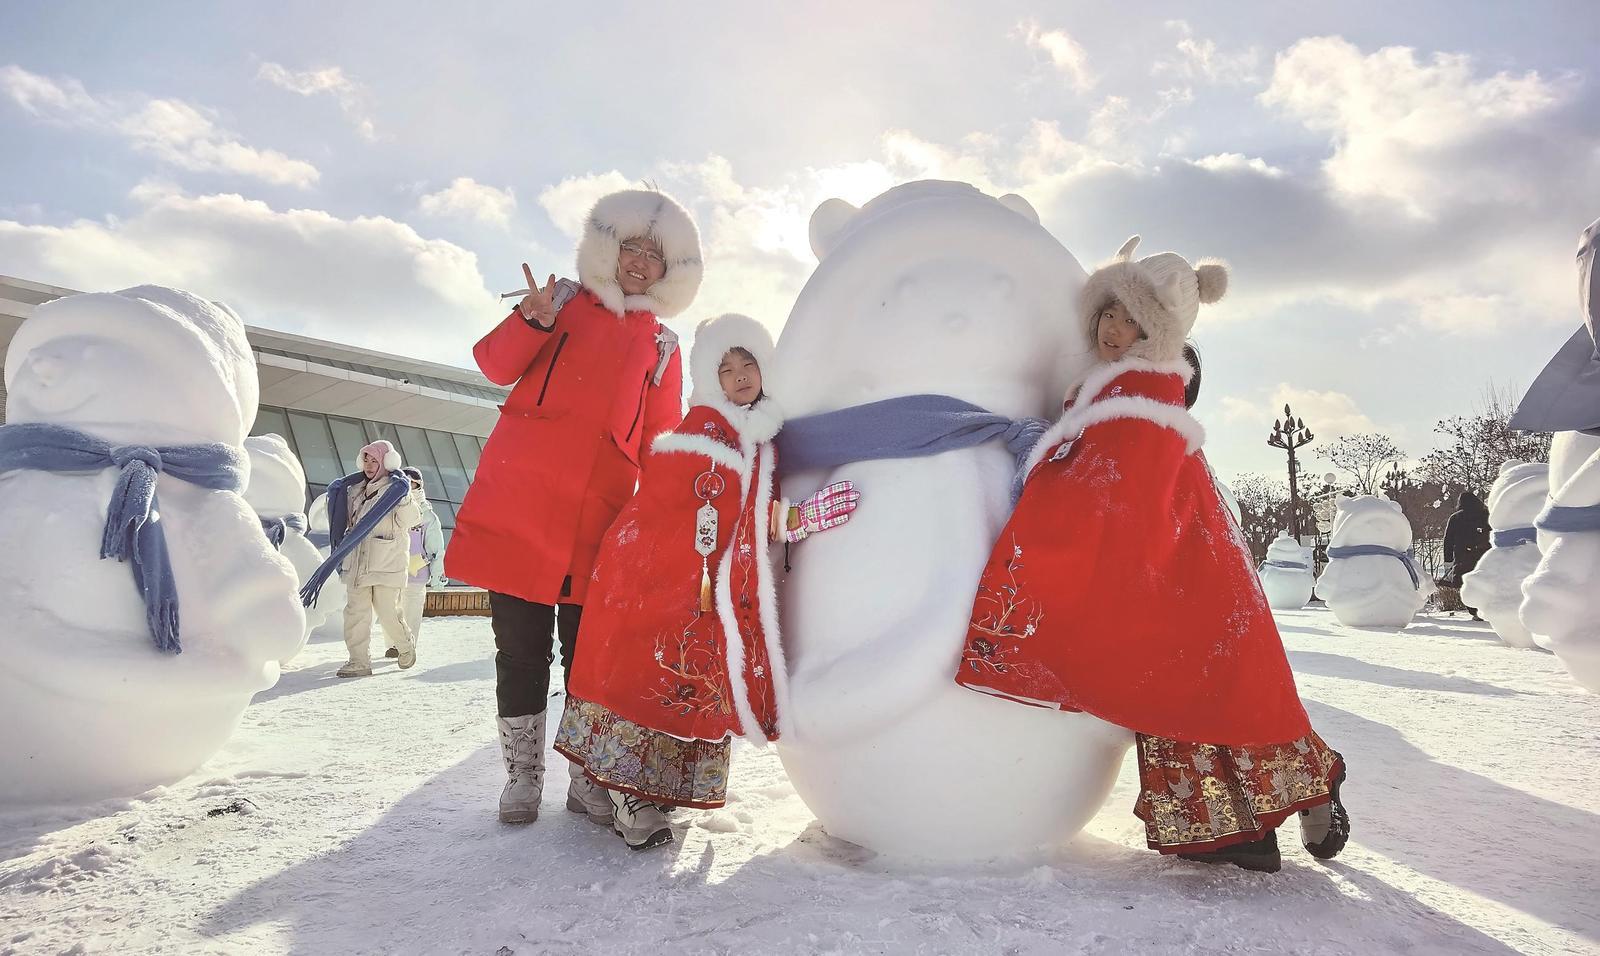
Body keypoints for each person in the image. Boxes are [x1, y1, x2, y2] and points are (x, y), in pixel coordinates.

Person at [954, 238, 1349, 873]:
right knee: (1204, 686)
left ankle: (1277, 805)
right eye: (1110, 312)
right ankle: (1252, 818)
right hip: (1176, 561)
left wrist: (1043, 496)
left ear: (1155, 332)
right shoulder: (1120, 387)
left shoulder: (1141, 391)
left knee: (1199, 685)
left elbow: (1113, 489)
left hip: (1173, 564)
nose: (1113, 328)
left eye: (1131, 319)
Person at [554, 314, 860, 850]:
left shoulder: (758, 434)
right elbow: (685, 501)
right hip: (656, 572)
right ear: (709, 376)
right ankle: (626, 793)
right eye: (727, 367)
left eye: (749, 364)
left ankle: (617, 787)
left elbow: (741, 511)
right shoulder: (703, 428)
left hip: (698, 583)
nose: (740, 375)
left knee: (677, 677)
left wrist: (794, 518)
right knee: (643, 671)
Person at [445, 189, 702, 824]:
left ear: (670, 273)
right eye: (632, 247)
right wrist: (529, 319)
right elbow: (492, 365)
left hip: (600, 522)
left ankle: (588, 778)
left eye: (655, 255)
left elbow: (658, 443)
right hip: (520, 508)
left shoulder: (664, 347)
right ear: (610, 251)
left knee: (589, 658)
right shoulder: (557, 302)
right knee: (520, 650)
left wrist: (670, 513)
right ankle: (522, 776)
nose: (641, 261)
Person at [334, 440, 422, 678]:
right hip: (357, 561)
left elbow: (411, 520)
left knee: (387, 612)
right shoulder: (354, 490)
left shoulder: (397, 489)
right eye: (366, 459)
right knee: (356, 614)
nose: (370, 465)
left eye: (375, 460)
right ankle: (359, 661)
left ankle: (405, 646)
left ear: (387, 461)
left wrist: (404, 498)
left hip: (386, 561)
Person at [384, 467, 446, 659]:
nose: (409, 487)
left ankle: (408, 646)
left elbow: (436, 549)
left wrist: (437, 578)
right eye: (405, 482)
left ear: (419, 486)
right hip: (392, 569)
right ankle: (393, 645)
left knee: (411, 612)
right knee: (390, 610)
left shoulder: (427, 516)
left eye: (413, 484)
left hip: (416, 570)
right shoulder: (388, 510)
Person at [1441, 491, 1491, 620]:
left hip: (1464, 557)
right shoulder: (1486, 515)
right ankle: (1484, 608)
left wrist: (1448, 561)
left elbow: (1448, 541)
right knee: (1485, 582)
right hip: (1484, 556)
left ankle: (1474, 610)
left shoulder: (1456, 518)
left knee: (1466, 583)